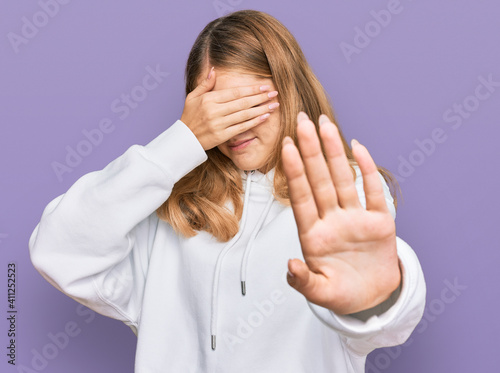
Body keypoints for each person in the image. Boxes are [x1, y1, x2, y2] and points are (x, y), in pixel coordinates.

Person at [28, 9, 426, 373]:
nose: (237, 127)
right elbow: (59, 248)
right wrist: (180, 143)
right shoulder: (173, 214)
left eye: (250, 105)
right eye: (219, 111)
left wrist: (376, 300)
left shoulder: (342, 198)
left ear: (290, 92)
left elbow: (384, 330)